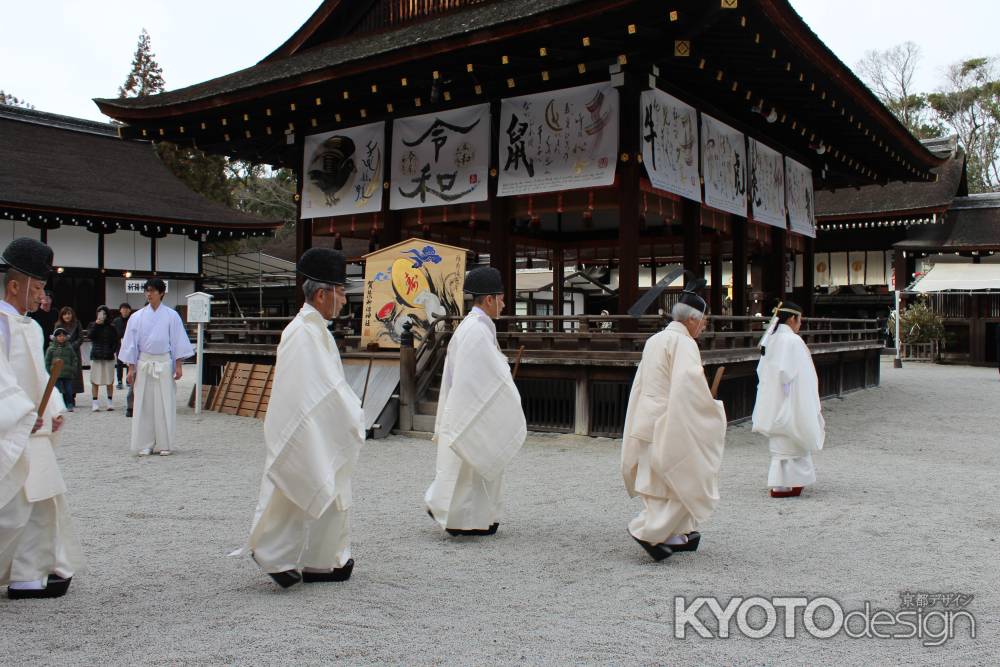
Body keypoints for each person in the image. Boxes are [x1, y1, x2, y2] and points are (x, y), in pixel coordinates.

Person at [235, 248, 364, 589]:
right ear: (321, 294)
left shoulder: (313, 328)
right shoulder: (302, 332)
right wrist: (349, 412)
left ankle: (323, 559)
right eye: (340, 292)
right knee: (299, 481)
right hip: (305, 424)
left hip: (319, 421)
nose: (343, 300)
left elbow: (325, 384)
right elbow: (317, 388)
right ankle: (273, 553)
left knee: (325, 484)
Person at [620, 278, 727, 561]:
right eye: (703, 320)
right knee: (682, 477)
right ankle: (647, 530)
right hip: (669, 419)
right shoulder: (684, 343)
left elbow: (641, 384)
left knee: (659, 483)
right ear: (691, 319)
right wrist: (709, 410)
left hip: (647, 418)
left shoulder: (655, 340)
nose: (704, 326)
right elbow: (687, 385)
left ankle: (675, 534)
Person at [0, 237, 82, 599]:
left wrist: (52, 411)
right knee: (13, 504)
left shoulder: (31, 327)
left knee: (43, 499)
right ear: (14, 285)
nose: (41, 298)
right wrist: (19, 414)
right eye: (36, 289)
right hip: (11, 428)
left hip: (33, 428)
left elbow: (40, 374)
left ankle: (32, 572)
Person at [425, 266, 527, 537]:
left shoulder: (477, 327)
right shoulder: (475, 330)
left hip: (470, 405)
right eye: (502, 298)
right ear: (490, 299)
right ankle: (460, 517)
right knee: (467, 465)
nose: (504, 304)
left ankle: (479, 516)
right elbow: (477, 376)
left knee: (473, 467)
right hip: (469, 408)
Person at [752, 301, 825, 498]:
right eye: (800, 320)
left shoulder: (771, 339)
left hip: (773, 398)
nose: (800, 325)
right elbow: (798, 373)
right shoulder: (792, 341)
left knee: (782, 443)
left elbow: (765, 371)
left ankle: (781, 484)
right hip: (790, 398)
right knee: (793, 439)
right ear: (792, 318)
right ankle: (791, 482)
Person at [117, 279, 194, 456]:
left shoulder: (171, 316)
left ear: (161, 293)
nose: (149, 294)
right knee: (144, 404)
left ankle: (165, 443)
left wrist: (178, 365)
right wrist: (130, 368)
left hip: (164, 363)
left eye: (152, 291)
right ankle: (145, 443)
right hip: (144, 362)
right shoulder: (137, 317)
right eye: (147, 291)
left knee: (164, 402)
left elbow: (177, 341)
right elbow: (131, 344)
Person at [86, 305, 119, 411]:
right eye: (100, 313)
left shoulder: (112, 327)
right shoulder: (92, 325)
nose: (102, 315)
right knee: (95, 380)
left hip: (108, 356)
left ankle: (109, 401)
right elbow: (90, 336)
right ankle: (95, 402)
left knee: (109, 380)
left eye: (104, 313)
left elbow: (116, 341)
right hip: (96, 355)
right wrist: (96, 324)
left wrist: (112, 351)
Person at [54, 307, 83, 408]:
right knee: (63, 376)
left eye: (69, 314)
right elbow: (55, 338)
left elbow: (80, 337)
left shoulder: (77, 323)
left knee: (74, 374)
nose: (67, 316)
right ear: (62, 316)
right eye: (65, 314)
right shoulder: (58, 325)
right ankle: (64, 397)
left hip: (74, 352)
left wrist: (73, 345)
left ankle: (72, 397)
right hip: (62, 352)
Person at [45, 328, 79, 413]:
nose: (61, 337)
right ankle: (58, 405)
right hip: (56, 373)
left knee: (68, 389)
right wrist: (50, 371)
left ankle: (70, 403)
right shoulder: (51, 348)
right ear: (55, 337)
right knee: (57, 390)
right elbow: (47, 361)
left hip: (68, 372)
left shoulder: (69, 347)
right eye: (59, 336)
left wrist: (73, 368)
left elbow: (74, 358)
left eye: (63, 336)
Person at [111, 303, 132, 390]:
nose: (125, 311)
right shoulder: (116, 321)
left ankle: (128, 380)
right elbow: (113, 332)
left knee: (129, 363)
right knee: (119, 363)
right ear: (120, 310)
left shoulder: (132, 319)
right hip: (119, 344)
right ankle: (119, 381)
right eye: (123, 309)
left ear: (129, 310)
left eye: (126, 309)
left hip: (130, 344)